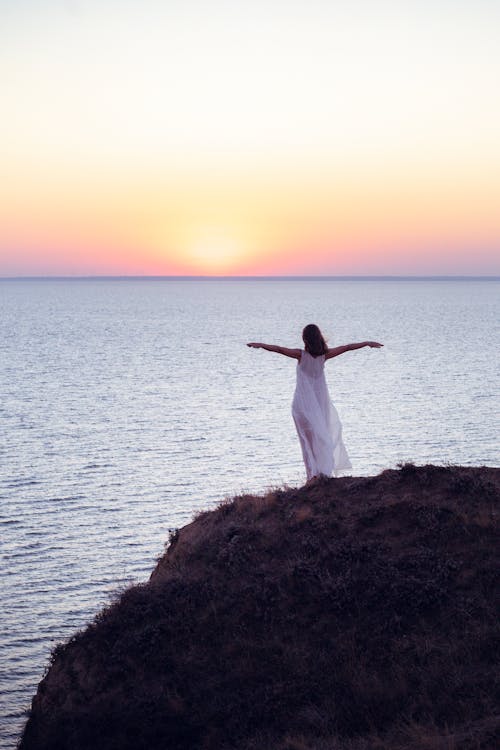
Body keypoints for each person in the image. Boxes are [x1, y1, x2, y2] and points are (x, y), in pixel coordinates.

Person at [247, 324, 383, 483]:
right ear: (319, 337)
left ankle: (314, 474)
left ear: (305, 339)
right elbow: (348, 347)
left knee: (307, 440)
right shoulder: (324, 355)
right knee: (319, 437)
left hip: (303, 404)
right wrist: (367, 343)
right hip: (318, 404)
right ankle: (316, 473)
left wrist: (261, 345)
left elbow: (279, 349)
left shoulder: (301, 355)